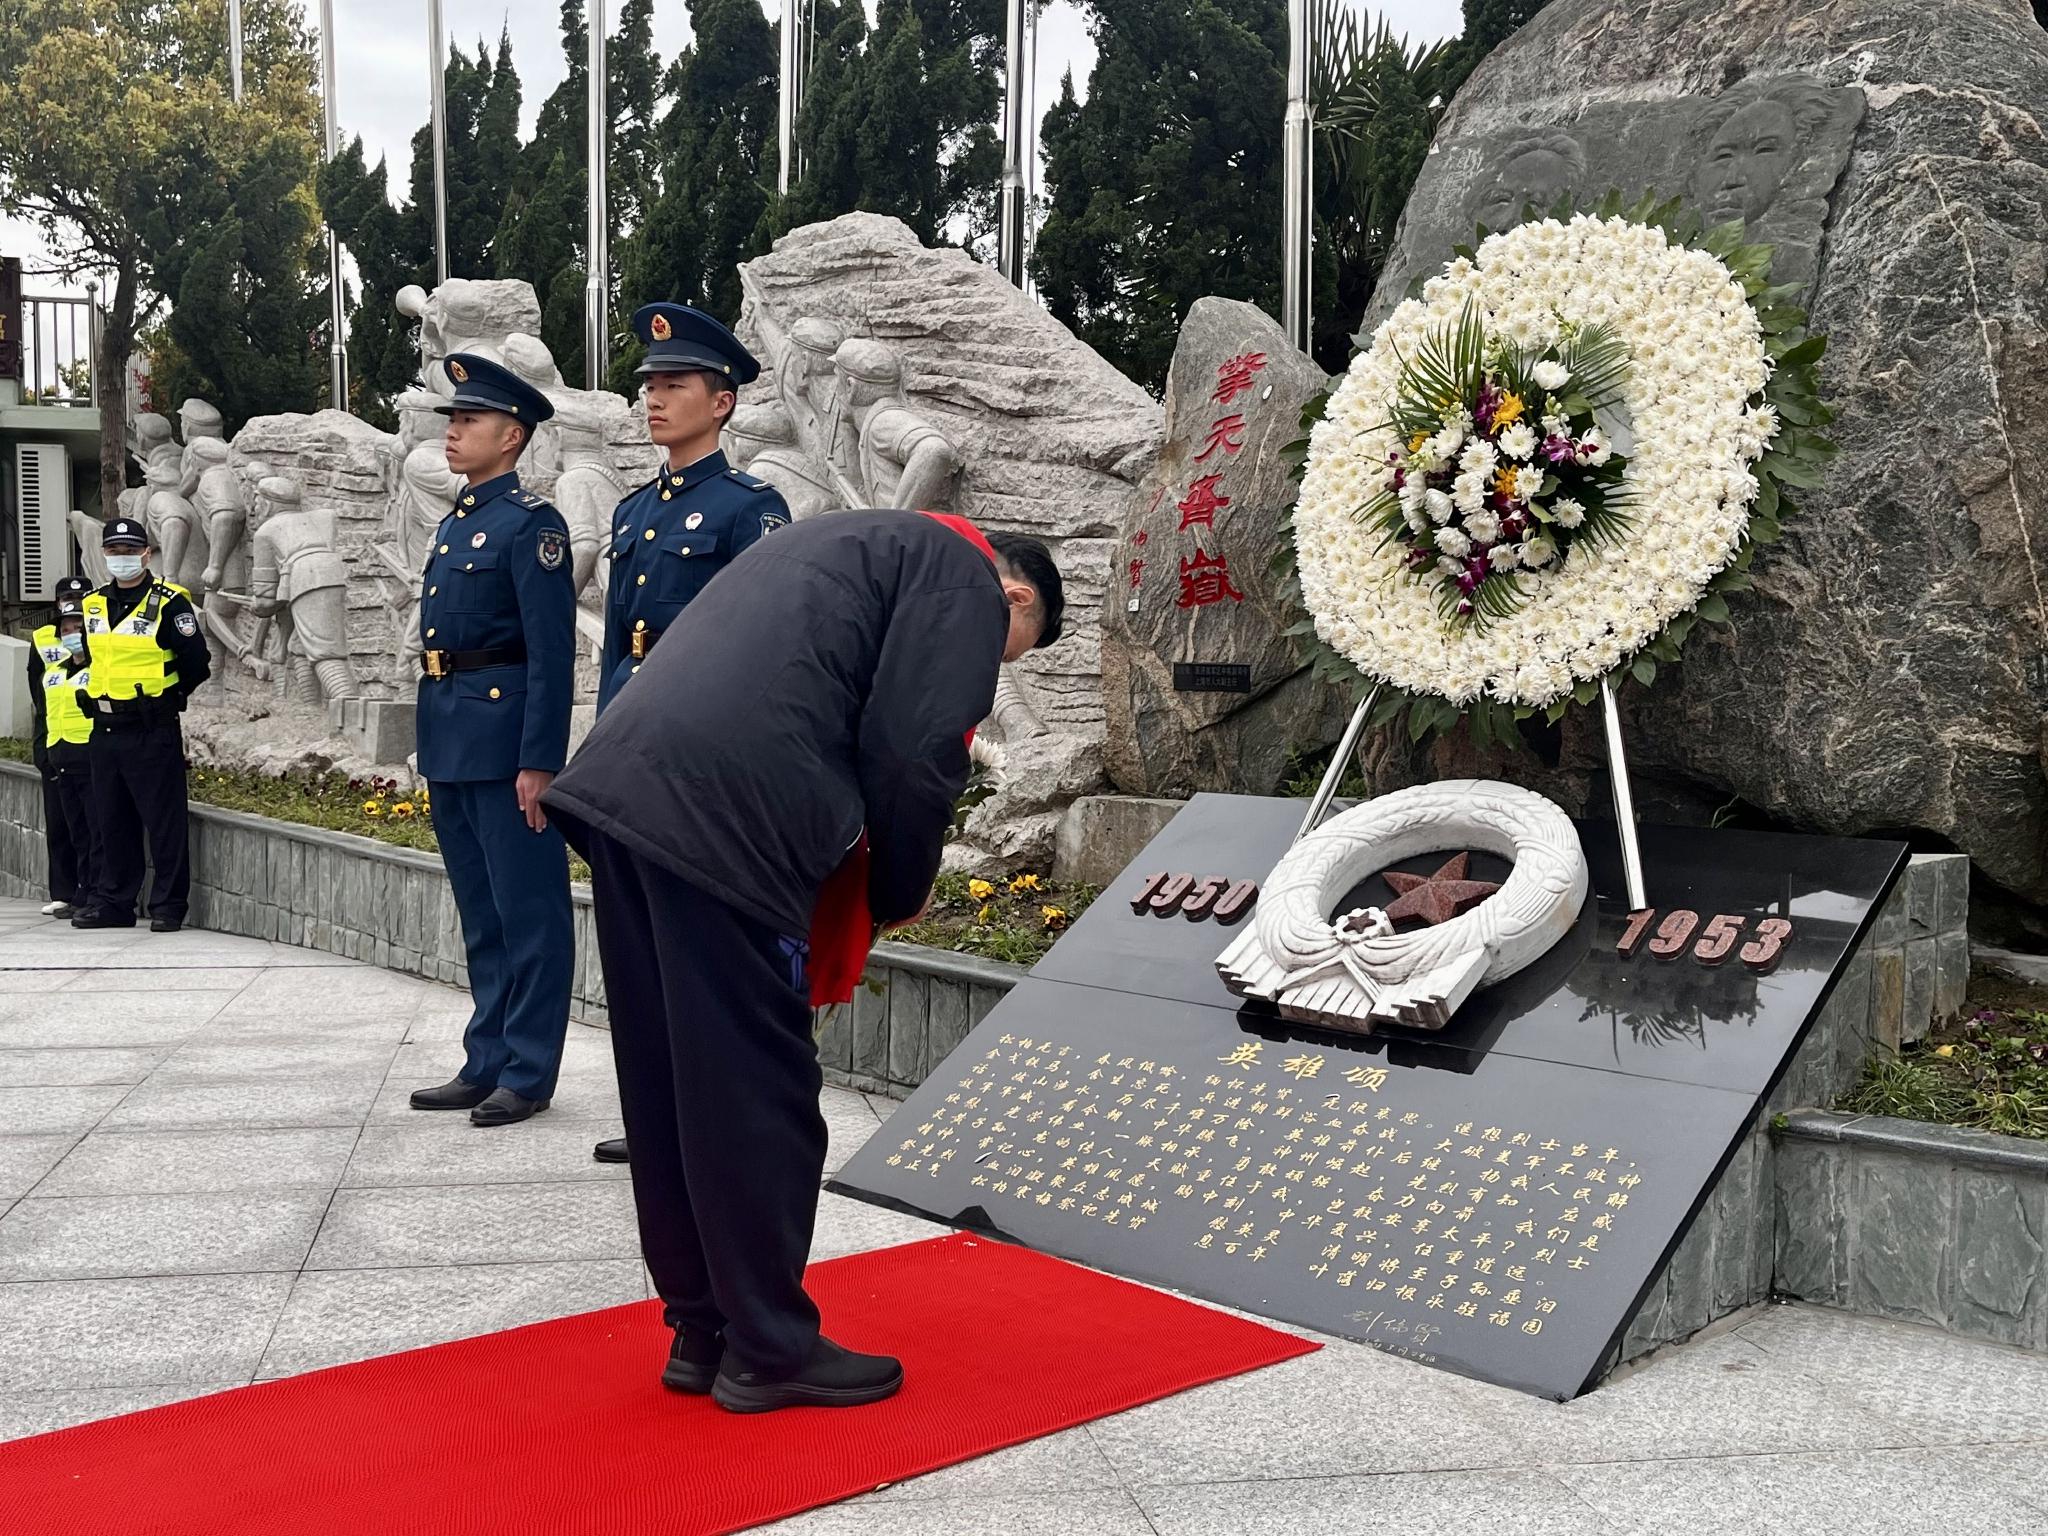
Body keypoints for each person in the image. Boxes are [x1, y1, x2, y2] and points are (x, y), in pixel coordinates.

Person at [543, 509, 1064, 1413]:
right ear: (1014, 598)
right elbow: (915, 751)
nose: (994, 666)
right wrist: (899, 887)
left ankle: (703, 1329)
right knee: (755, 1088)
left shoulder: (852, 539)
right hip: (723, 818)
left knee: (673, 1078)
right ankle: (770, 1347)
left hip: (628, 791)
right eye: (1010, 652)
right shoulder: (960, 575)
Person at [589, 301, 794, 1168]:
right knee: (634, 957)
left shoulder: (753, 509)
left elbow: (765, 648)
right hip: (631, 754)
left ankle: (705, 1117)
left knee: (691, 957)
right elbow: (615, 646)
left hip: (700, 763)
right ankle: (654, 1118)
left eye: (675, 385)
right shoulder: (636, 512)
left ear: (724, 402)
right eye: (649, 386)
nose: (655, 400)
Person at [405, 353, 578, 1130]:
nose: (453, 431)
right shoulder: (456, 523)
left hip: (507, 742)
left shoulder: (532, 525)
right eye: (452, 419)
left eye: (467, 420)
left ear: (511, 436)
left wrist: (539, 761)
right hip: (450, 732)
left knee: (529, 912)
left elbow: (550, 649)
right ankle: (486, 1059)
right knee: (481, 912)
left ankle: (529, 1070)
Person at [73, 519, 212, 932]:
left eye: (130, 551)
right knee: (110, 820)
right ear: (104, 554)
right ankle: (115, 902)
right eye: (114, 552)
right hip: (104, 728)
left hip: (151, 727)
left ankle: (168, 906)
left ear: (146, 554)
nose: (122, 559)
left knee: (163, 821)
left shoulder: (171, 602)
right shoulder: (93, 604)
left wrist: (167, 700)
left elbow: (196, 664)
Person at [27, 576, 96, 917]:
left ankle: (89, 890)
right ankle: (63, 891)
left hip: (88, 746)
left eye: (81, 597)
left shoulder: (100, 636)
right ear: (56, 603)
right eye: (67, 597)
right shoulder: (42, 638)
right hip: (53, 741)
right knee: (59, 821)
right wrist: (41, 747)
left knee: (90, 824)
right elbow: (38, 697)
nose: (73, 602)